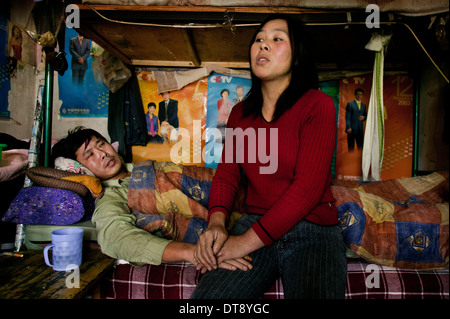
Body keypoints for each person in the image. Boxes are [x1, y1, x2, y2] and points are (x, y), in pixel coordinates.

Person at [191, 14, 347, 299]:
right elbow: (226, 176)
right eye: (259, 39)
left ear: (297, 57)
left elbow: (308, 189)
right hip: (254, 222)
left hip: (312, 231)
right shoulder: (240, 113)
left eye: (277, 39)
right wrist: (216, 224)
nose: (263, 45)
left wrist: (243, 244)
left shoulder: (317, 104)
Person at [51, 127, 252, 271]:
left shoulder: (143, 167)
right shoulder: (112, 198)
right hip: (235, 229)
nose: (103, 154)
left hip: (245, 195)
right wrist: (191, 252)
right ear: (83, 170)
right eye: (90, 155)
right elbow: (116, 238)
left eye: (101, 144)